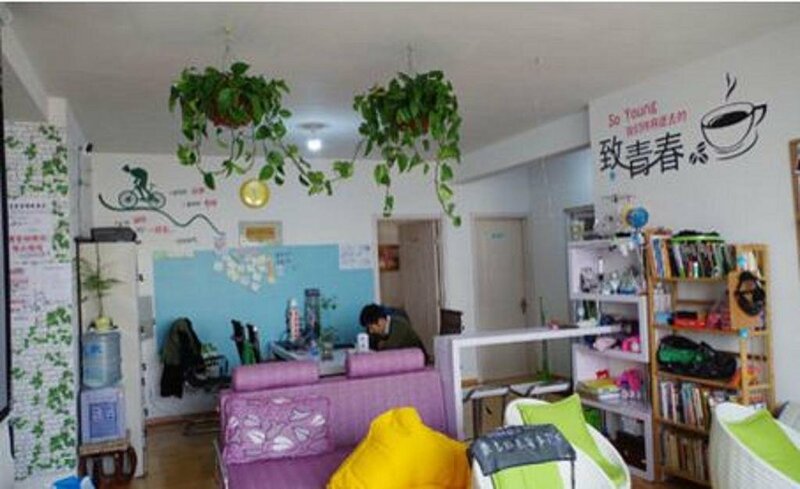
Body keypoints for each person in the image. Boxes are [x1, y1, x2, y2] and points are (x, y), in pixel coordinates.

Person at [359, 304, 427, 359]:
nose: (370, 331)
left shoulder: (399, 326)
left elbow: (387, 351)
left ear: (380, 321)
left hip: (418, 359)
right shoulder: (376, 331)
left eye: (371, 327)